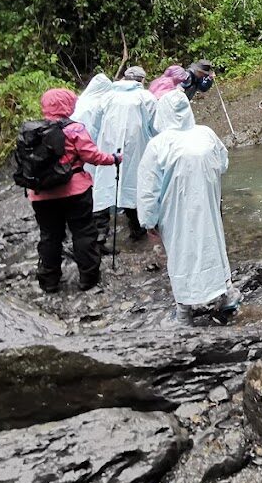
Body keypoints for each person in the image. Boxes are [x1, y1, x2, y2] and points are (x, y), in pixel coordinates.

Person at [137, 88, 237, 325]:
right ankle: (226, 295)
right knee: (213, 244)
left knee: (181, 253)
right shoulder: (206, 134)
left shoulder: (159, 145)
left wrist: (148, 221)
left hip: (175, 210)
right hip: (208, 204)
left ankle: (184, 311)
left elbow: (148, 187)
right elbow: (223, 163)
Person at [27, 88, 120, 292]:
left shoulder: (32, 131)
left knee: (50, 236)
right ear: (68, 104)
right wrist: (113, 159)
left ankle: (49, 282)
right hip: (75, 191)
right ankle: (88, 279)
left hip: (41, 194)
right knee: (83, 233)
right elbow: (92, 156)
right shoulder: (74, 129)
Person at [91, 66, 157, 247]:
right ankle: (137, 229)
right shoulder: (146, 98)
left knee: (106, 185)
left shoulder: (107, 97)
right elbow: (155, 126)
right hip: (137, 148)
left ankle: (101, 233)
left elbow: (95, 125)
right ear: (141, 80)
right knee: (134, 184)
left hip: (108, 146)